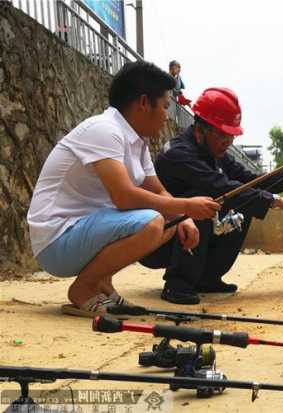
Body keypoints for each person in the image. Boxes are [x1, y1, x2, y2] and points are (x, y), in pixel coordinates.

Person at [26, 61, 221, 317]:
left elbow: (159, 191)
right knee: (152, 222)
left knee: (169, 221)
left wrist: (183, 218)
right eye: (164, 106)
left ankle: (102, 285)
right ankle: (83, 290)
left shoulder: (136, 141)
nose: (166, 116)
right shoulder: (104, 130)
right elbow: (124, 197)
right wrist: (186, 206)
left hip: (82, 232)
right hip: (57, 241)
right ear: (143, 103)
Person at [141, 87, 283, 304]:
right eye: (223, 135)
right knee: (205, 199)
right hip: (155, 241)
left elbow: (251, 181)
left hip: (189, 235)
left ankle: (207, 278)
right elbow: (220, 187)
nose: (228, 142)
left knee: (246, 201)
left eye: (231, 136)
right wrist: (278, 202)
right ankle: (178, 284)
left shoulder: (215, 153)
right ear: (201, 128)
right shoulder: (178, 153)